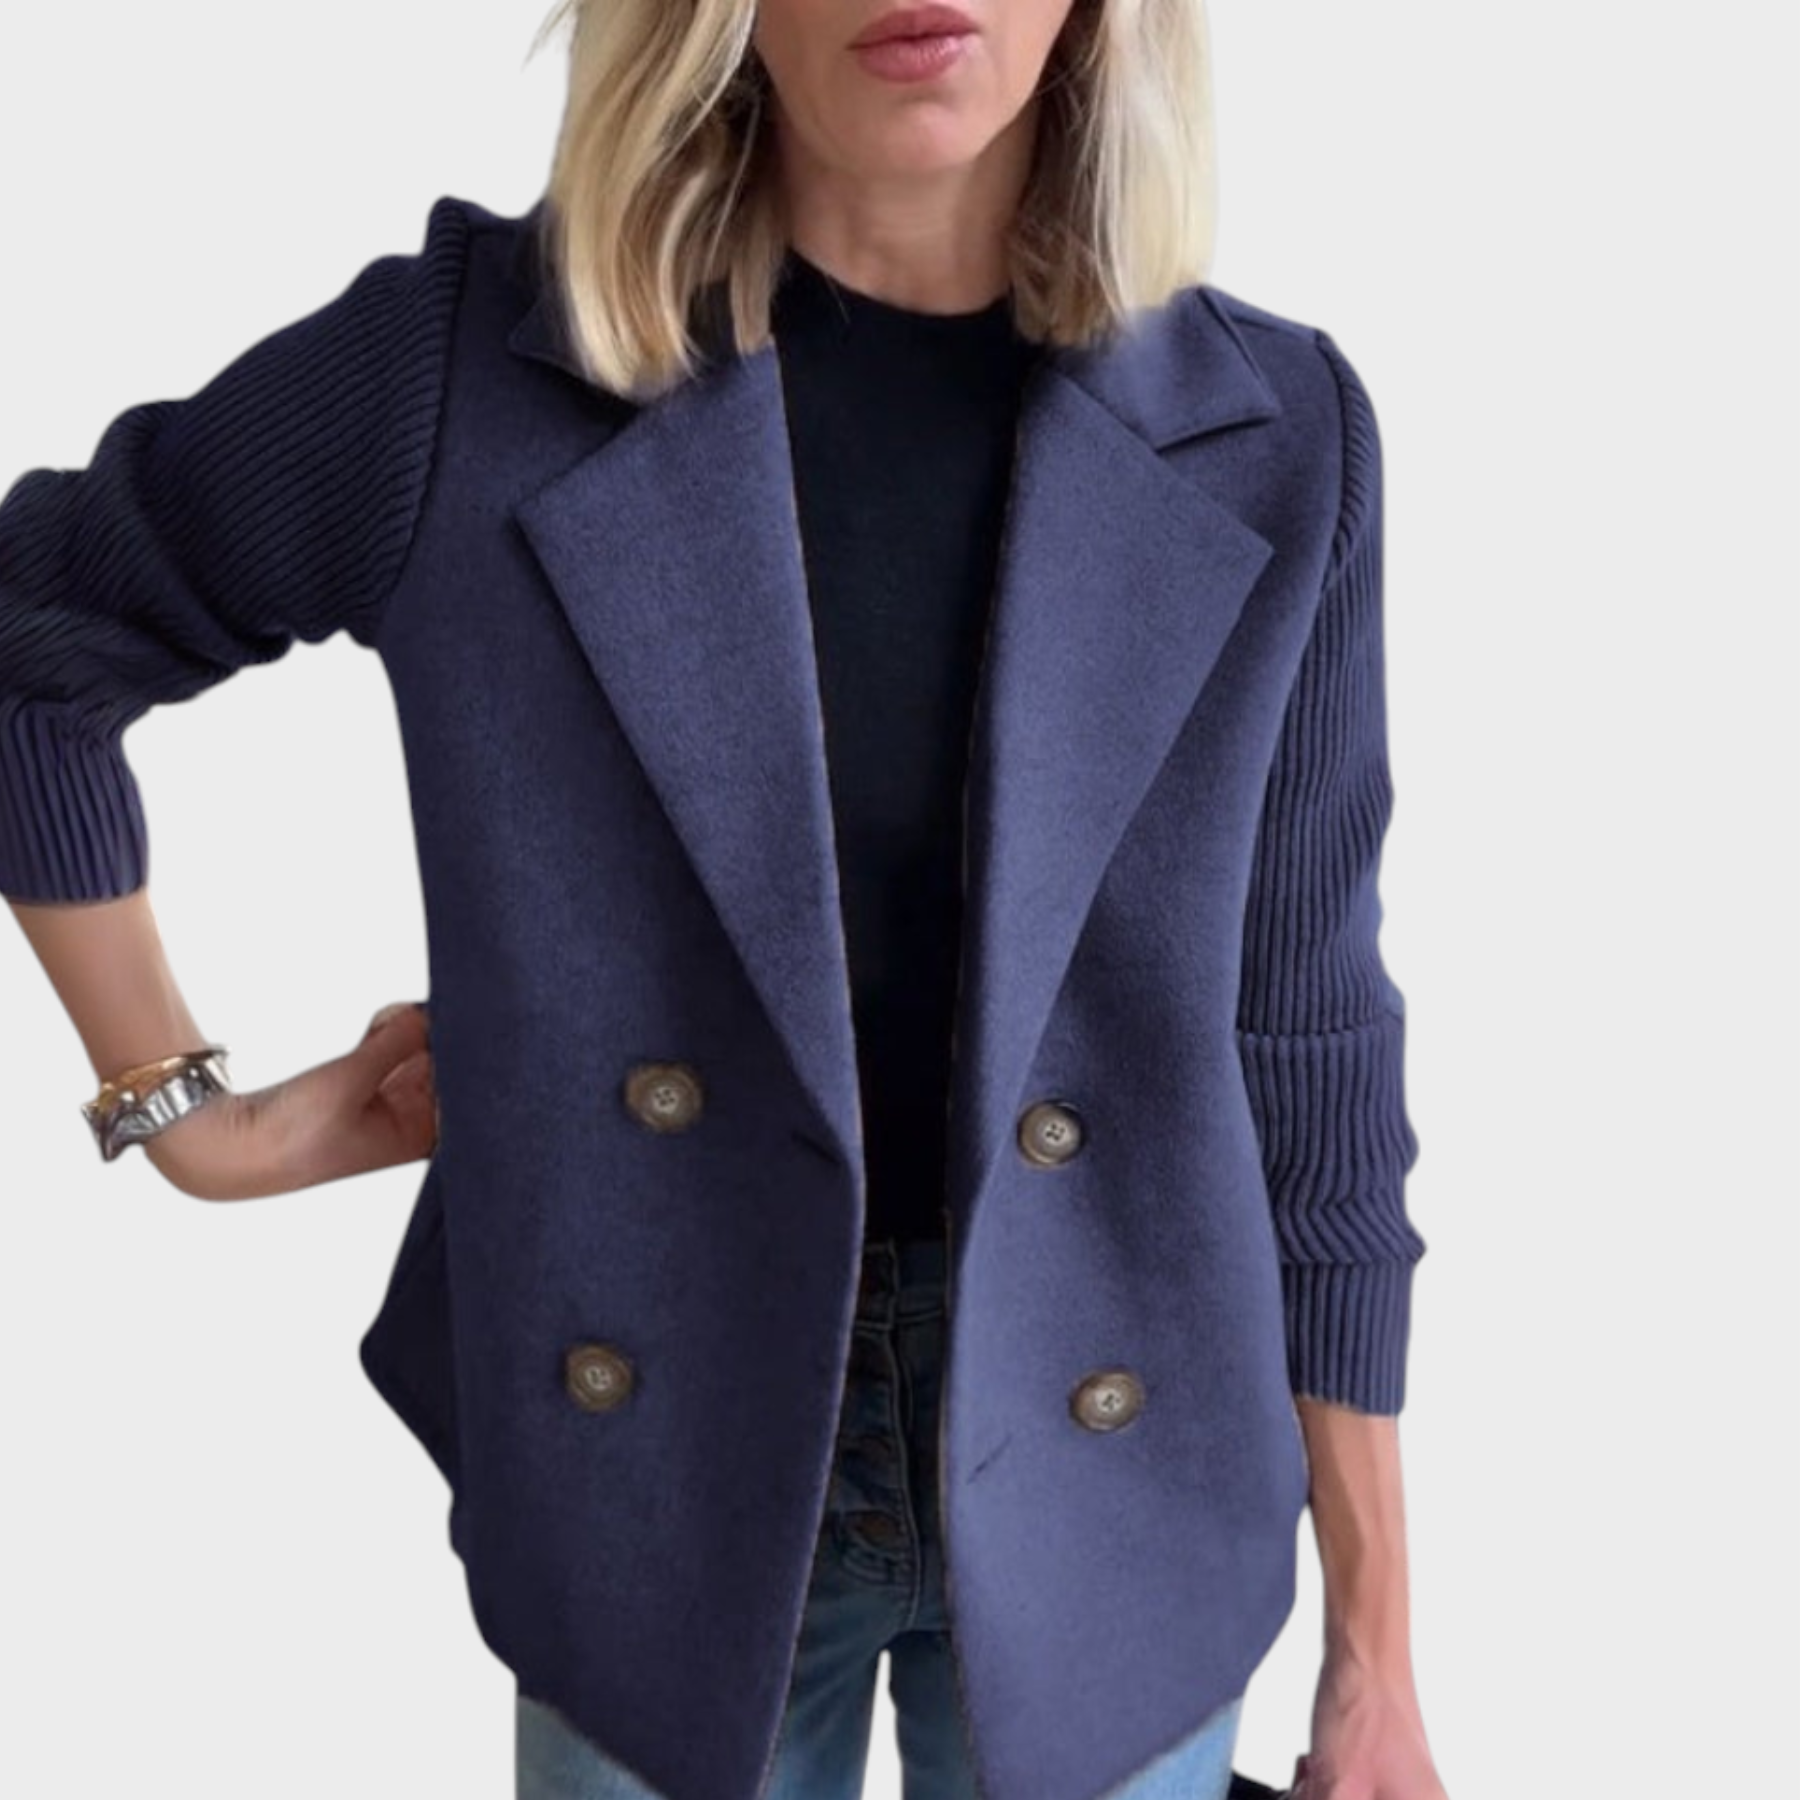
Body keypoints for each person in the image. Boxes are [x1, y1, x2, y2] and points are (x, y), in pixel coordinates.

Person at [0, 3, 1449, 1798]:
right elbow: (33, 641)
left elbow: (1309, 1037)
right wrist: (191, 1120)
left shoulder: (1277, 431)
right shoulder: (462, 378)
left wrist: (1378, 1647)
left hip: (1133, 1465)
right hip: (656, 1462)